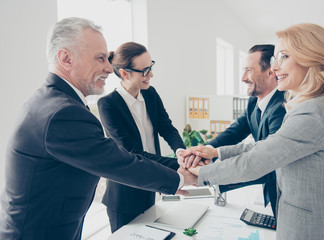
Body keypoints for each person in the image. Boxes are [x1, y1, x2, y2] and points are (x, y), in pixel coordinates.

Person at [0, 17, 196, 240]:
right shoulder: (62, 112)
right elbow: (119, 160)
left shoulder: (56, 102)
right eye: (100, 58)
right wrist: (179, 178)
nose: (108, 67)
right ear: (66, 59)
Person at [181, 23, 324, 240]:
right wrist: (216, 153)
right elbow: (270, 145)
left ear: (312, 58)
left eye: (283, 57)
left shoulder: (315, 112)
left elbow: (256, 161)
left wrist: (198, 174)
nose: (274, 68)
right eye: (275, 58)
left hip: (313, 231)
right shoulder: (318, 105)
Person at [181, 44, 285, 218]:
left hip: (287, 195)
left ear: (271, 72)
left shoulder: (283, 108)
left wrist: (209, 176)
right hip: (274, 193)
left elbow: (266, 161)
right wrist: (202, 153)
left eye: (249, 71)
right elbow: (235, 131)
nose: (243, 78)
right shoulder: (254, 102)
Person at [97, 42, 186, 232]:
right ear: (125, 73)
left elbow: (166, 127)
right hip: (124, 196)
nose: (151, 75)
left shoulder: (150, 94)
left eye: (151, 67)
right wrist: (178, 168)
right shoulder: (108, 105)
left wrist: (181, 152)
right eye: (145, 70)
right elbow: (132, 153)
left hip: (151, 187)